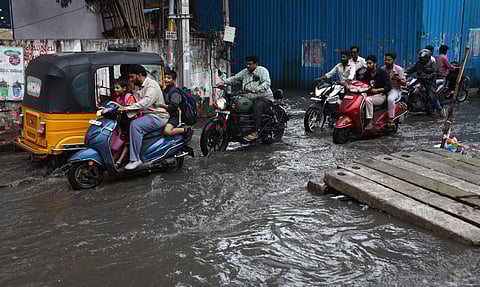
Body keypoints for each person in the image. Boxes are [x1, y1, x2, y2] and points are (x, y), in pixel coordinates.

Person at [120, 64, 169, 170]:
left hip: (158, 116)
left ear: (139, 75)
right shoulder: (139, 87)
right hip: (148, 115)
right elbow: (137, 103)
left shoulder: (151, 85)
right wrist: (123, 108)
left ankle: (135, 159)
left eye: (132, 77)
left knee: (135, 125)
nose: (131, 80)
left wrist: (127, 109)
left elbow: (146, 102)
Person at [219, 55, 273, 142]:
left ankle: (255, 131)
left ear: (256, 64)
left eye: (250, 64)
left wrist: (257, 89)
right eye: (247, 64)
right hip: (249, 98)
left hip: (264, 97)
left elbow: (267, 83)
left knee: (257, 106)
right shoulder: (245, 72)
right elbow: (235, 78)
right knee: (235, 102)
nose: (248, 66)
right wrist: (223, 83)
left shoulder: (262, 71)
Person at [158, 70, 194, 141]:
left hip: (174, 116)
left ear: (173, 80)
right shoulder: (164, 90)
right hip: (164, 114)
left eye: (169, 78)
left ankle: (186, 130)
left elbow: (173, 108)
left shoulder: (175, 92)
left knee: (167, 131)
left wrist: (160, 105)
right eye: (165, 77)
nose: (166, 79)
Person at [406, 49, 443, 115]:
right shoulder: (419, 63)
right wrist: (404, 72)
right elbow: (412, 69)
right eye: (421, 58)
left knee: (431, 95)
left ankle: (440, 109)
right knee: (410, 88)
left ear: (427, 57)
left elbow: (436, 72)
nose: (422, 59)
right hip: (420, 80)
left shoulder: (432, 62)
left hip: (429, 82)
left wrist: (430, 75)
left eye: (423, 58)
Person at [362, 55, 392, 131]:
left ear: (375, 63)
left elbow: (388, 87)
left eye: (370, 63)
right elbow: (363, 83)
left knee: (368, 100)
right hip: (370, 94)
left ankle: (370, 122)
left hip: (381, 95)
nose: (368, 65)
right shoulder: (367, 73)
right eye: (367, 63)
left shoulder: (383, 73)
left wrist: (377, 90)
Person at [382, 52, 407, 127]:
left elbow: (404, 83)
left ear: (393, 60)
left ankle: (391, 118)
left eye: (388, 60)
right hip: (384, 89)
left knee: (390, 99)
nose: (386, 62)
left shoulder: (399, 69)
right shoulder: (382, 69)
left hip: (395, 89)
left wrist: (398, 79)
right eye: (385, 60)